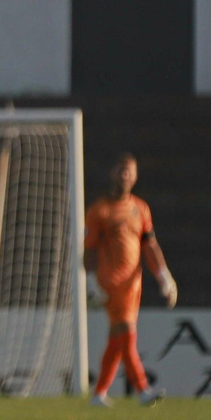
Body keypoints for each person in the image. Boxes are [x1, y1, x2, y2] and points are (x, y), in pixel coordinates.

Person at [87, 153, 176, 407]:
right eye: (121, 169)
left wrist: (164, 277)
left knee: (118, 339)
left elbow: (150, 246)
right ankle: (142, 389)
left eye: (130, 171)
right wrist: (91, 283)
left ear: (136, 177)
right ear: (112, 173)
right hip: (110, 283)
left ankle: (98, 393)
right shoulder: (100, 210)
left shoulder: (141, 208)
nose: (125, 174)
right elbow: (89, 250)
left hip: (133, 284)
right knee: (127, 333)